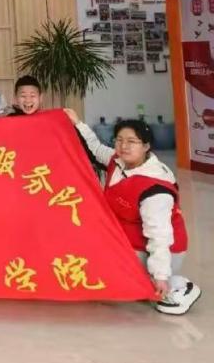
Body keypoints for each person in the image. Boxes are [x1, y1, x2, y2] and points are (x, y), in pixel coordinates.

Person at [65, 111, 201, 315]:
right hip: (127, 238)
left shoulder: (155, 186)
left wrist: (160, 275)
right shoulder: (118, 161)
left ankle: (178, 285)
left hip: (159, 249)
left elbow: (159, 236)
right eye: (119, 140)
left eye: (132, 141)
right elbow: (95, 148)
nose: (124, 146)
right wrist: (77, 123)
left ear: (146, 146)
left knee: (103, 268)